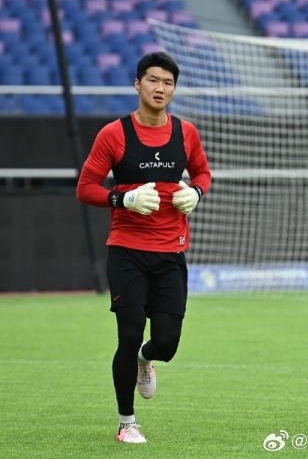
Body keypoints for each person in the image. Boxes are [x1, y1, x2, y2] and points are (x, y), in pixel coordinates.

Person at [76, 52, 211, 444]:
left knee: (166, 344)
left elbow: (202, 172)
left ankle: (144, 361)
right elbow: (85, 188)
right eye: (153, 80)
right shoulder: (114, 134)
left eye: (168, 83)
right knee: (129, 332)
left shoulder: (186, 132)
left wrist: (196, 192)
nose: (160, 88)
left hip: (171, 252)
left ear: (174, 89)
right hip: (127, 251)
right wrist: (123, 199)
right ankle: (126, 422)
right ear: (138, 84)